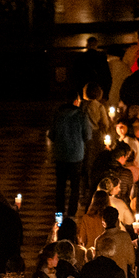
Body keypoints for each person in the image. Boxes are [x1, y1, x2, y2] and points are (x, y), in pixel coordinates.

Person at [49, 89, 92, 217]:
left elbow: (51, 134)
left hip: (60, 155)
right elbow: (87, 135)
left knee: (60, 186)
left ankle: (59, 214)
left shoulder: (58, 114)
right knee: (75, 186)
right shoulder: (81, 115)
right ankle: (71, 214)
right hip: (76, 156)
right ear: (76, 101)